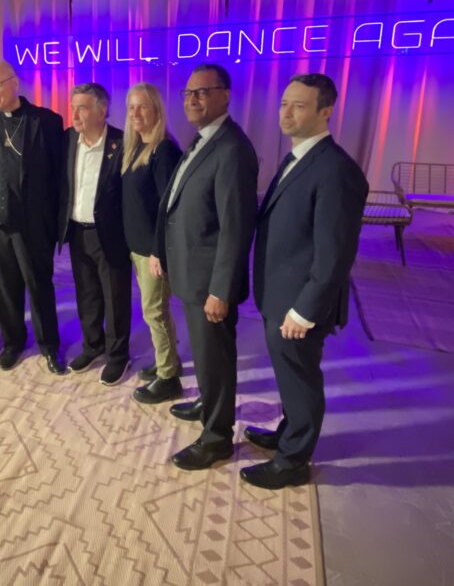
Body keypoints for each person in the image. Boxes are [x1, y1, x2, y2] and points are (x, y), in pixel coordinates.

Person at [242, 73, 367, 489]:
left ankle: (294, 460)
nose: (286, 112)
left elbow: (335, 254)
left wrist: (305, 309)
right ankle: (287, 433)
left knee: (301, 377)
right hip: (278, 293)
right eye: (283, 104)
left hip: (298, 302)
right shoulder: (298, 156)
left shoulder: (336, 170)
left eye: (299, 105)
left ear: (325, 111)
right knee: (288, 373)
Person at [151, 64, 258, 471]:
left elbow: (235, 227)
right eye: (187, 93)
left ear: (225, 95)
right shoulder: (202, 141)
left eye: (202, 92)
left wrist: (221, 289)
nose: (192, 100)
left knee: (214, 357)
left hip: (209, 280)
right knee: (206, 355)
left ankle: (216, 438)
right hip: (191, 272)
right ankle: (206, 403)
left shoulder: (232, 148)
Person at [0, 58, 65, 373]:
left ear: (15, 82)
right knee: (4, 287)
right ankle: (14, 342)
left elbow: (58, 175)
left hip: (32, 223)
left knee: (39, 285)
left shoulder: (46, 121)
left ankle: (49, 346)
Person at [57, 83, 132, 385]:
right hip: (77, 230)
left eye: (83, 107)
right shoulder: (67, 141)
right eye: (73, 106)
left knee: (115, 297)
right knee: (86, 293)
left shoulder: (122, 143)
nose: (75, 113)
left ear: (102, 111)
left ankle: (118, 356)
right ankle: (93, 345)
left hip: (110, 234)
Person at [122, 83, 185, 404]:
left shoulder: (164, 151)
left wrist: (159, 252)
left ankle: (168, 378)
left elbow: (168, 208)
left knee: (154, 312)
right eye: (131, 107)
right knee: (156, 310)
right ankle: (169, 362)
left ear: (157, 111)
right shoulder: (135, 146)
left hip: (152, 252)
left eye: (142, 107)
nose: (135, 113)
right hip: (137, 248)